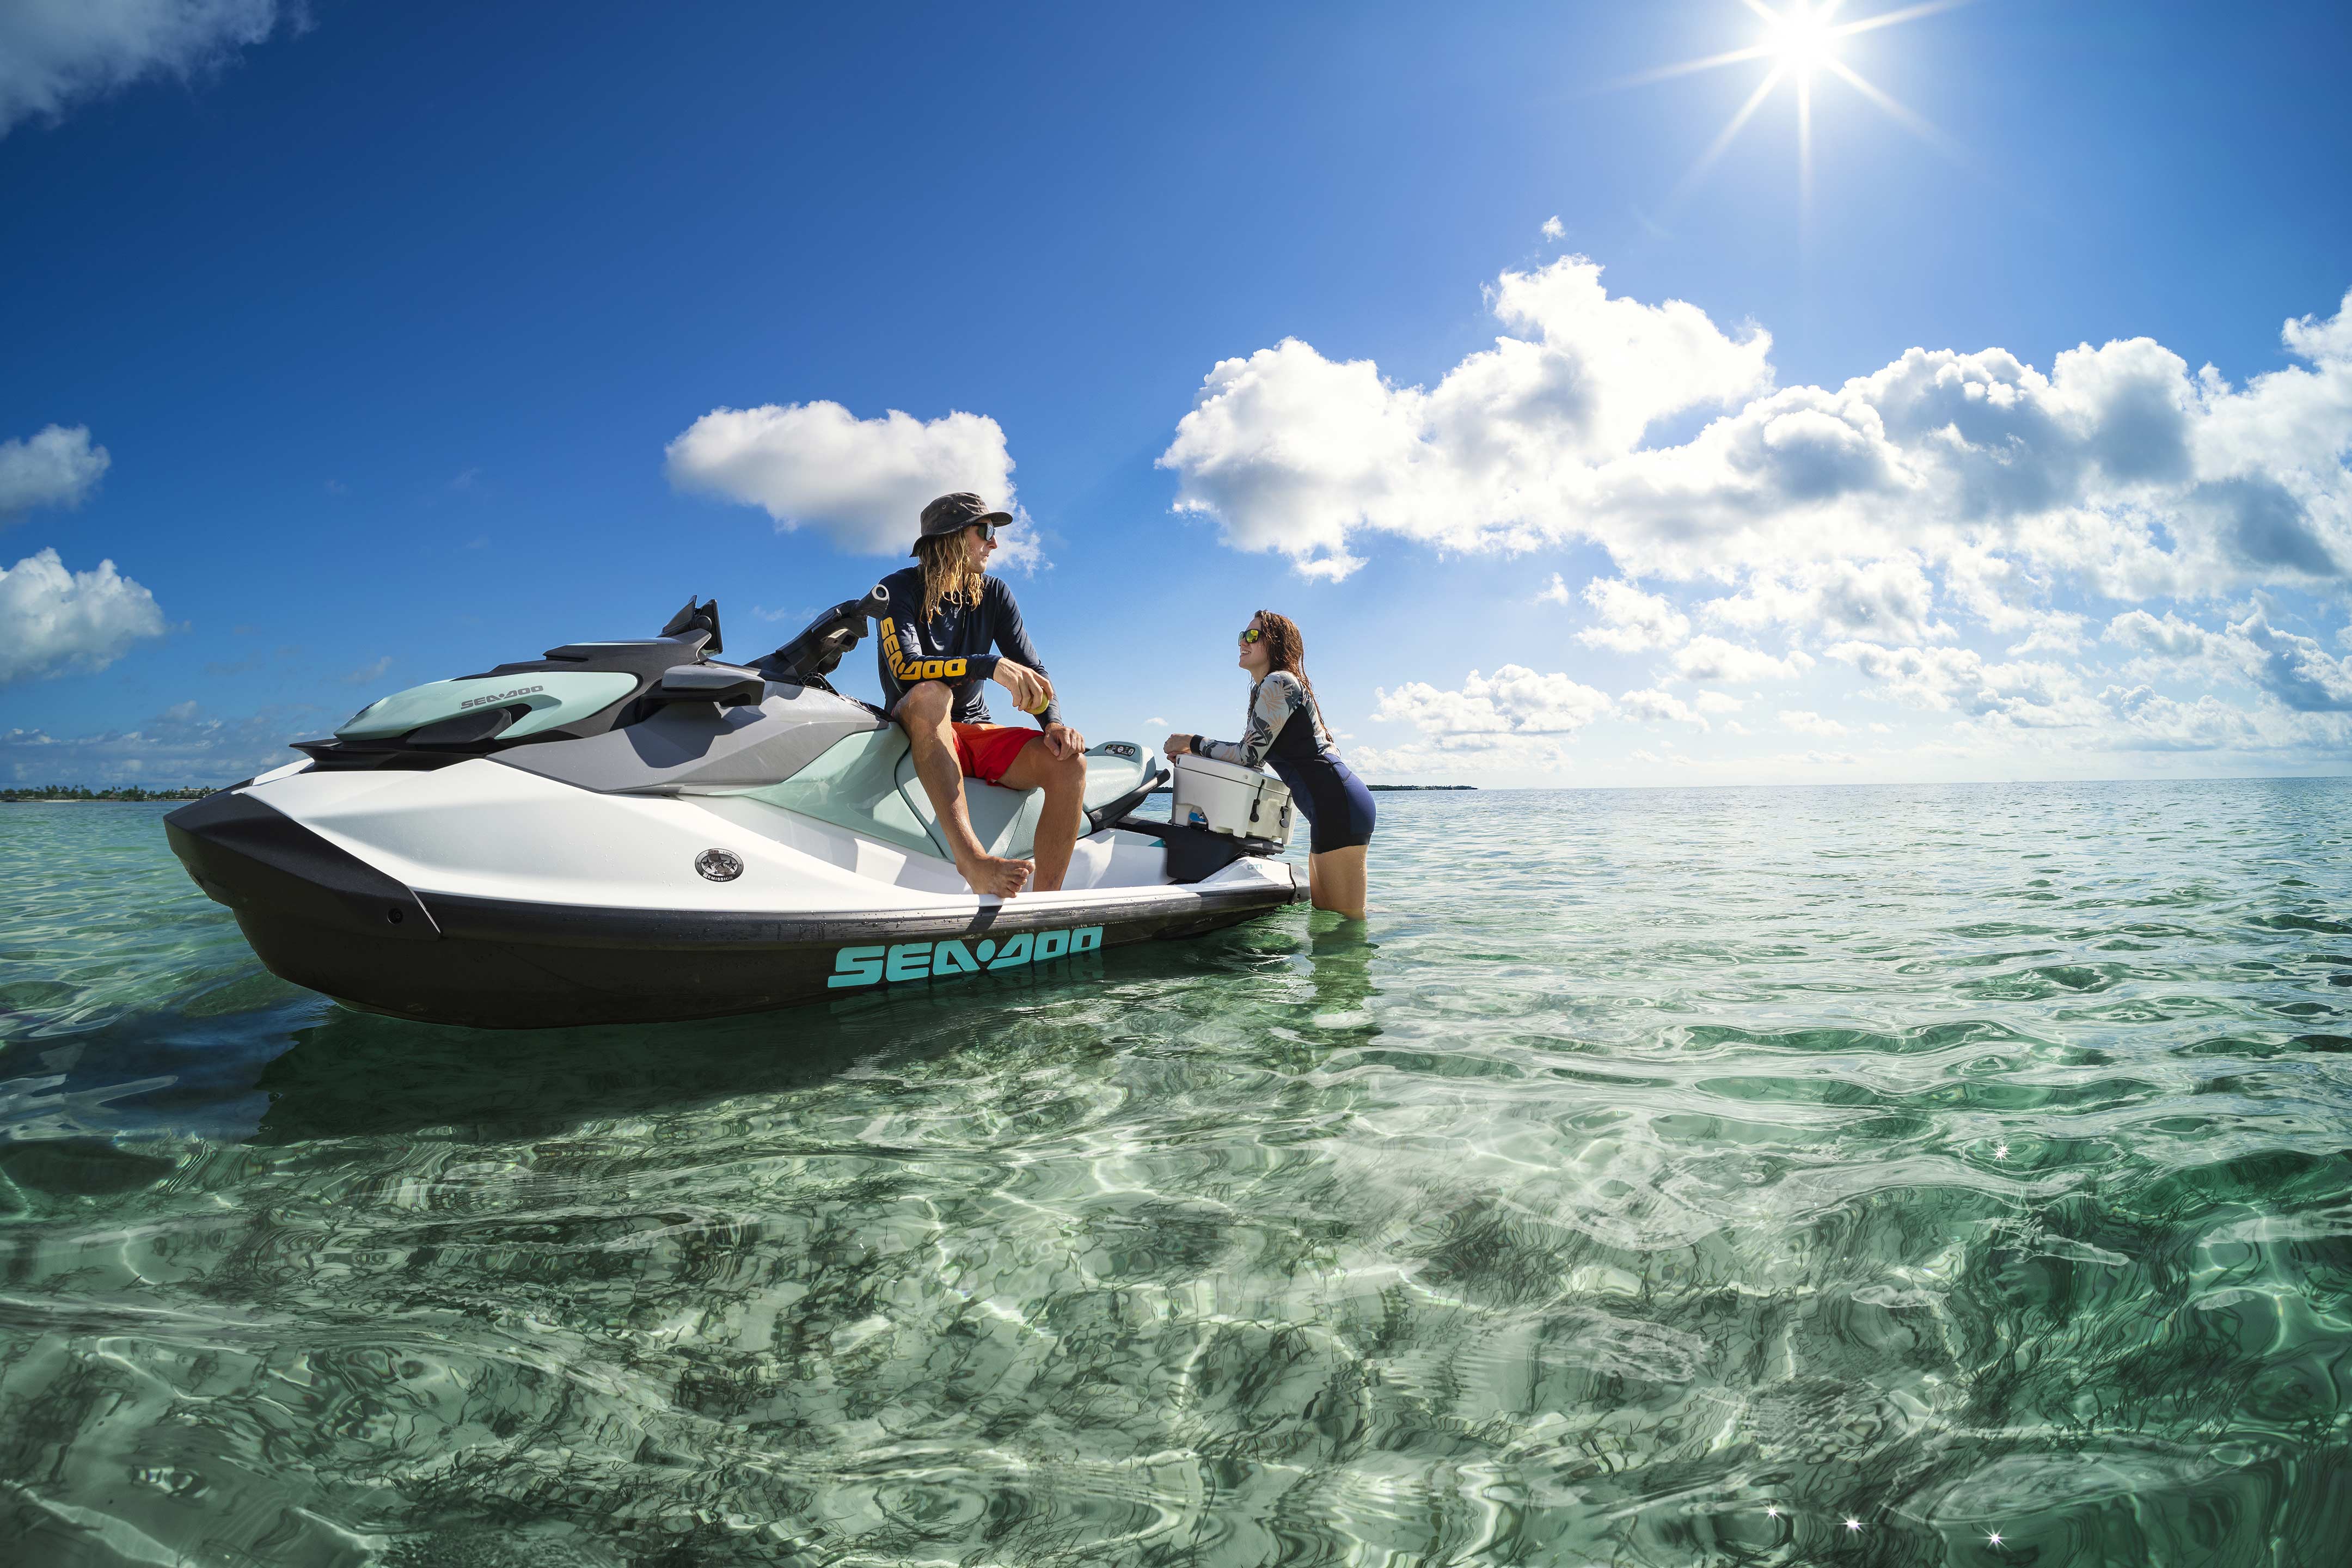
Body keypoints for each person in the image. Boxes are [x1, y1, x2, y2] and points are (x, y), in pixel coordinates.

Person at [874, 493, 1086, 899]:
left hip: (972, 731)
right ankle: (972, 861)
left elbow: (1034, 670)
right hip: (913, 725)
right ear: (952, 537)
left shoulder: (994, 593)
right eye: (985, 531)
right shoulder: (897, 589)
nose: (995, 543)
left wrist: (1053, 723)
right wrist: (988, 665)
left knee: (1070, 763)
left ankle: (1046, 905)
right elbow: (905, 667)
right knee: (933, 694)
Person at [1164, 611, 1374, 918]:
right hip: (1331, 807)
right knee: (1330, 918)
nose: (1242, 643)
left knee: (1346, 925)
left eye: (1253, 636)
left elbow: (1247, 755)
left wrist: (1192, 741)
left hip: (1337, 805)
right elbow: (1254, 759)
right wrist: (1197, 755)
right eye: (1242, 635)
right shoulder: (1266, 688)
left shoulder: (1279, 682)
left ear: (1275, 643)